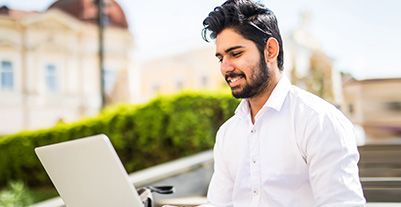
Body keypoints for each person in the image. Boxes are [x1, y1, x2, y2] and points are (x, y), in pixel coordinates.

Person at [200, 0, 366, 206]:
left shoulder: (319, 120)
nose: (226, 67)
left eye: (236, 54)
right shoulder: (227, 134)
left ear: (270, 50)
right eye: (220, 58)